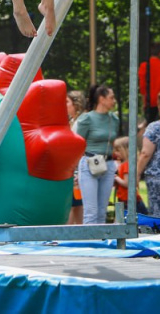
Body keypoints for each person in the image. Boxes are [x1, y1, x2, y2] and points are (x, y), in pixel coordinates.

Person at [74, 85, 118, 224]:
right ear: (101, 99)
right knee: (91, 211)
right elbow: (78, 143)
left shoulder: (114, 119)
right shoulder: (86, 119)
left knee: (102, 211)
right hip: (89, 163)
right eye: (111, 97)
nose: (114, 101)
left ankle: (102, 243)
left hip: (108, 164)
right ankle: (90, 244)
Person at [66, 90, 86, 225]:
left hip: (77, 168)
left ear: (76, 104)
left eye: (67, 102)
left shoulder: (81, 122)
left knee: (75, 204)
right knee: (75, 204)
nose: (64, 105)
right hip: (74, 167)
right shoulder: (73, 121)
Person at [113, 136, 131, 216]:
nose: (115, 153)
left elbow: (126, 183)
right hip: (122, 198)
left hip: (127, 199)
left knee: (121, 219)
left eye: (118, 150)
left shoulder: (126, 165)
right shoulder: (122, 164)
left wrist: (115, 177)